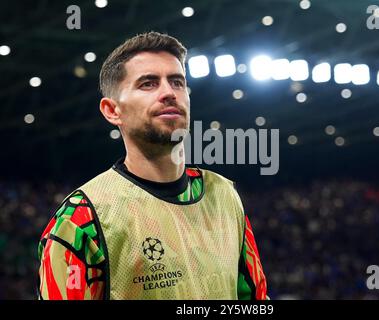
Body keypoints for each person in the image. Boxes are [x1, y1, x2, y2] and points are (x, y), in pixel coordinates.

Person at [37, 31, 268, 300]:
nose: (169, 93)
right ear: (112, 111)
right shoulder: (80, 219)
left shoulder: (225, 195)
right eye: (148, 84)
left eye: (177, 82)